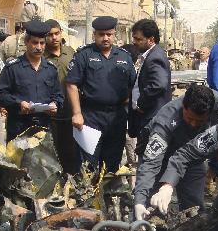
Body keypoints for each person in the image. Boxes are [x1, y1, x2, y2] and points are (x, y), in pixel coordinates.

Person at [133, 85, 218, 221]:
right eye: (189, 118)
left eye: (199, 121)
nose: (193, 124)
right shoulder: (165, 121)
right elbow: (150, 164)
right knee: (151, 205)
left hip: (193, 158)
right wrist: (139, 201)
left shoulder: (217, 103)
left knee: (194, 208)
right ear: (183, 106)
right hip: (162, 159)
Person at [65, 16, 136, 172]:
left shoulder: (124, 56)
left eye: (109, 34)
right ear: (94, 35)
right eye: (101, 34)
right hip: (91, 116)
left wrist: (125, 100)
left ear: (114, 34)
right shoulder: (84, 54)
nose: (105, 38)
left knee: (112, 163)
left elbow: (134, 85)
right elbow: (71, 83)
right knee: (88, 164)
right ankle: (88, 196)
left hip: (117, 116)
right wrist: (77, 113)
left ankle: (108, 195)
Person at [0, 21, 62, 143]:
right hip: (19, 129)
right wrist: (19, 103)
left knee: (42, 162)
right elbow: (0, 94)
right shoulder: (13, 67)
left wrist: (55, 105)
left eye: (42, 43)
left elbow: (58, 95)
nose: (39, 47)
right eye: (35, 42)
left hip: (43, 129)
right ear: (26, 42)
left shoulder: (51, 69)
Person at [128, 19, 171, 155]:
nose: (134, 42)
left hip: (152, 118)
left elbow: (158, 85)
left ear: (151, 39)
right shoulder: (149, 56)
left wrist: (141, 104)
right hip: (147, 118)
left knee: (149, 161)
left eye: (138, 39)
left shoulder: (155, 57)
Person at [44, 19, 77, 173]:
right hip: (50, 113)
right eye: (50, 35)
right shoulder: (41, 56)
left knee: (71, 153)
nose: (54, 38)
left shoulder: (70, 52)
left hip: (71, 112)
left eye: (57, 33)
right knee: (52, 154)